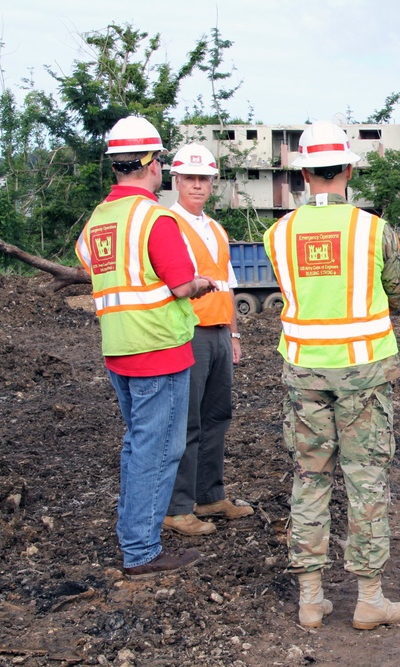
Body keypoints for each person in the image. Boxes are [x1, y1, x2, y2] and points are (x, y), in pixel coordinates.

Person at [263, 120, 400, 630]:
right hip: (364, 374)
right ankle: (369, 598)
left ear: (303, 174)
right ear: (348, 169)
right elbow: (398, 291)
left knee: (310, 477)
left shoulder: (277, 234)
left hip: (304, 373)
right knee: (365, 480)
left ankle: (310, 598)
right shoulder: (374, 230)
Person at [75, 116, 217, 579]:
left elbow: (86, 261)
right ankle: (140, 551)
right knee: (156, 451)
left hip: (118, 347)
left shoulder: (99, 218)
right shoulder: (155, 218)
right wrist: (203, 283)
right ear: (153, 164)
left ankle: (135, 537)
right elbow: (180, 285)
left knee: (138, 446)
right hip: (159, 349)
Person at [162, 144, 253, 537]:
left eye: (204, 179)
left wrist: (233, 333)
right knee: (187, 422)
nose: (197, 185)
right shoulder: (166, 223)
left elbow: (228, 286)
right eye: (190, 178)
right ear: (176, 181)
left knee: (217, 418)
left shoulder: (215, 229)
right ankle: (178, 506)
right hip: (187, 334)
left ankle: (210, 496)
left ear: (212, 184)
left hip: (217, 333)